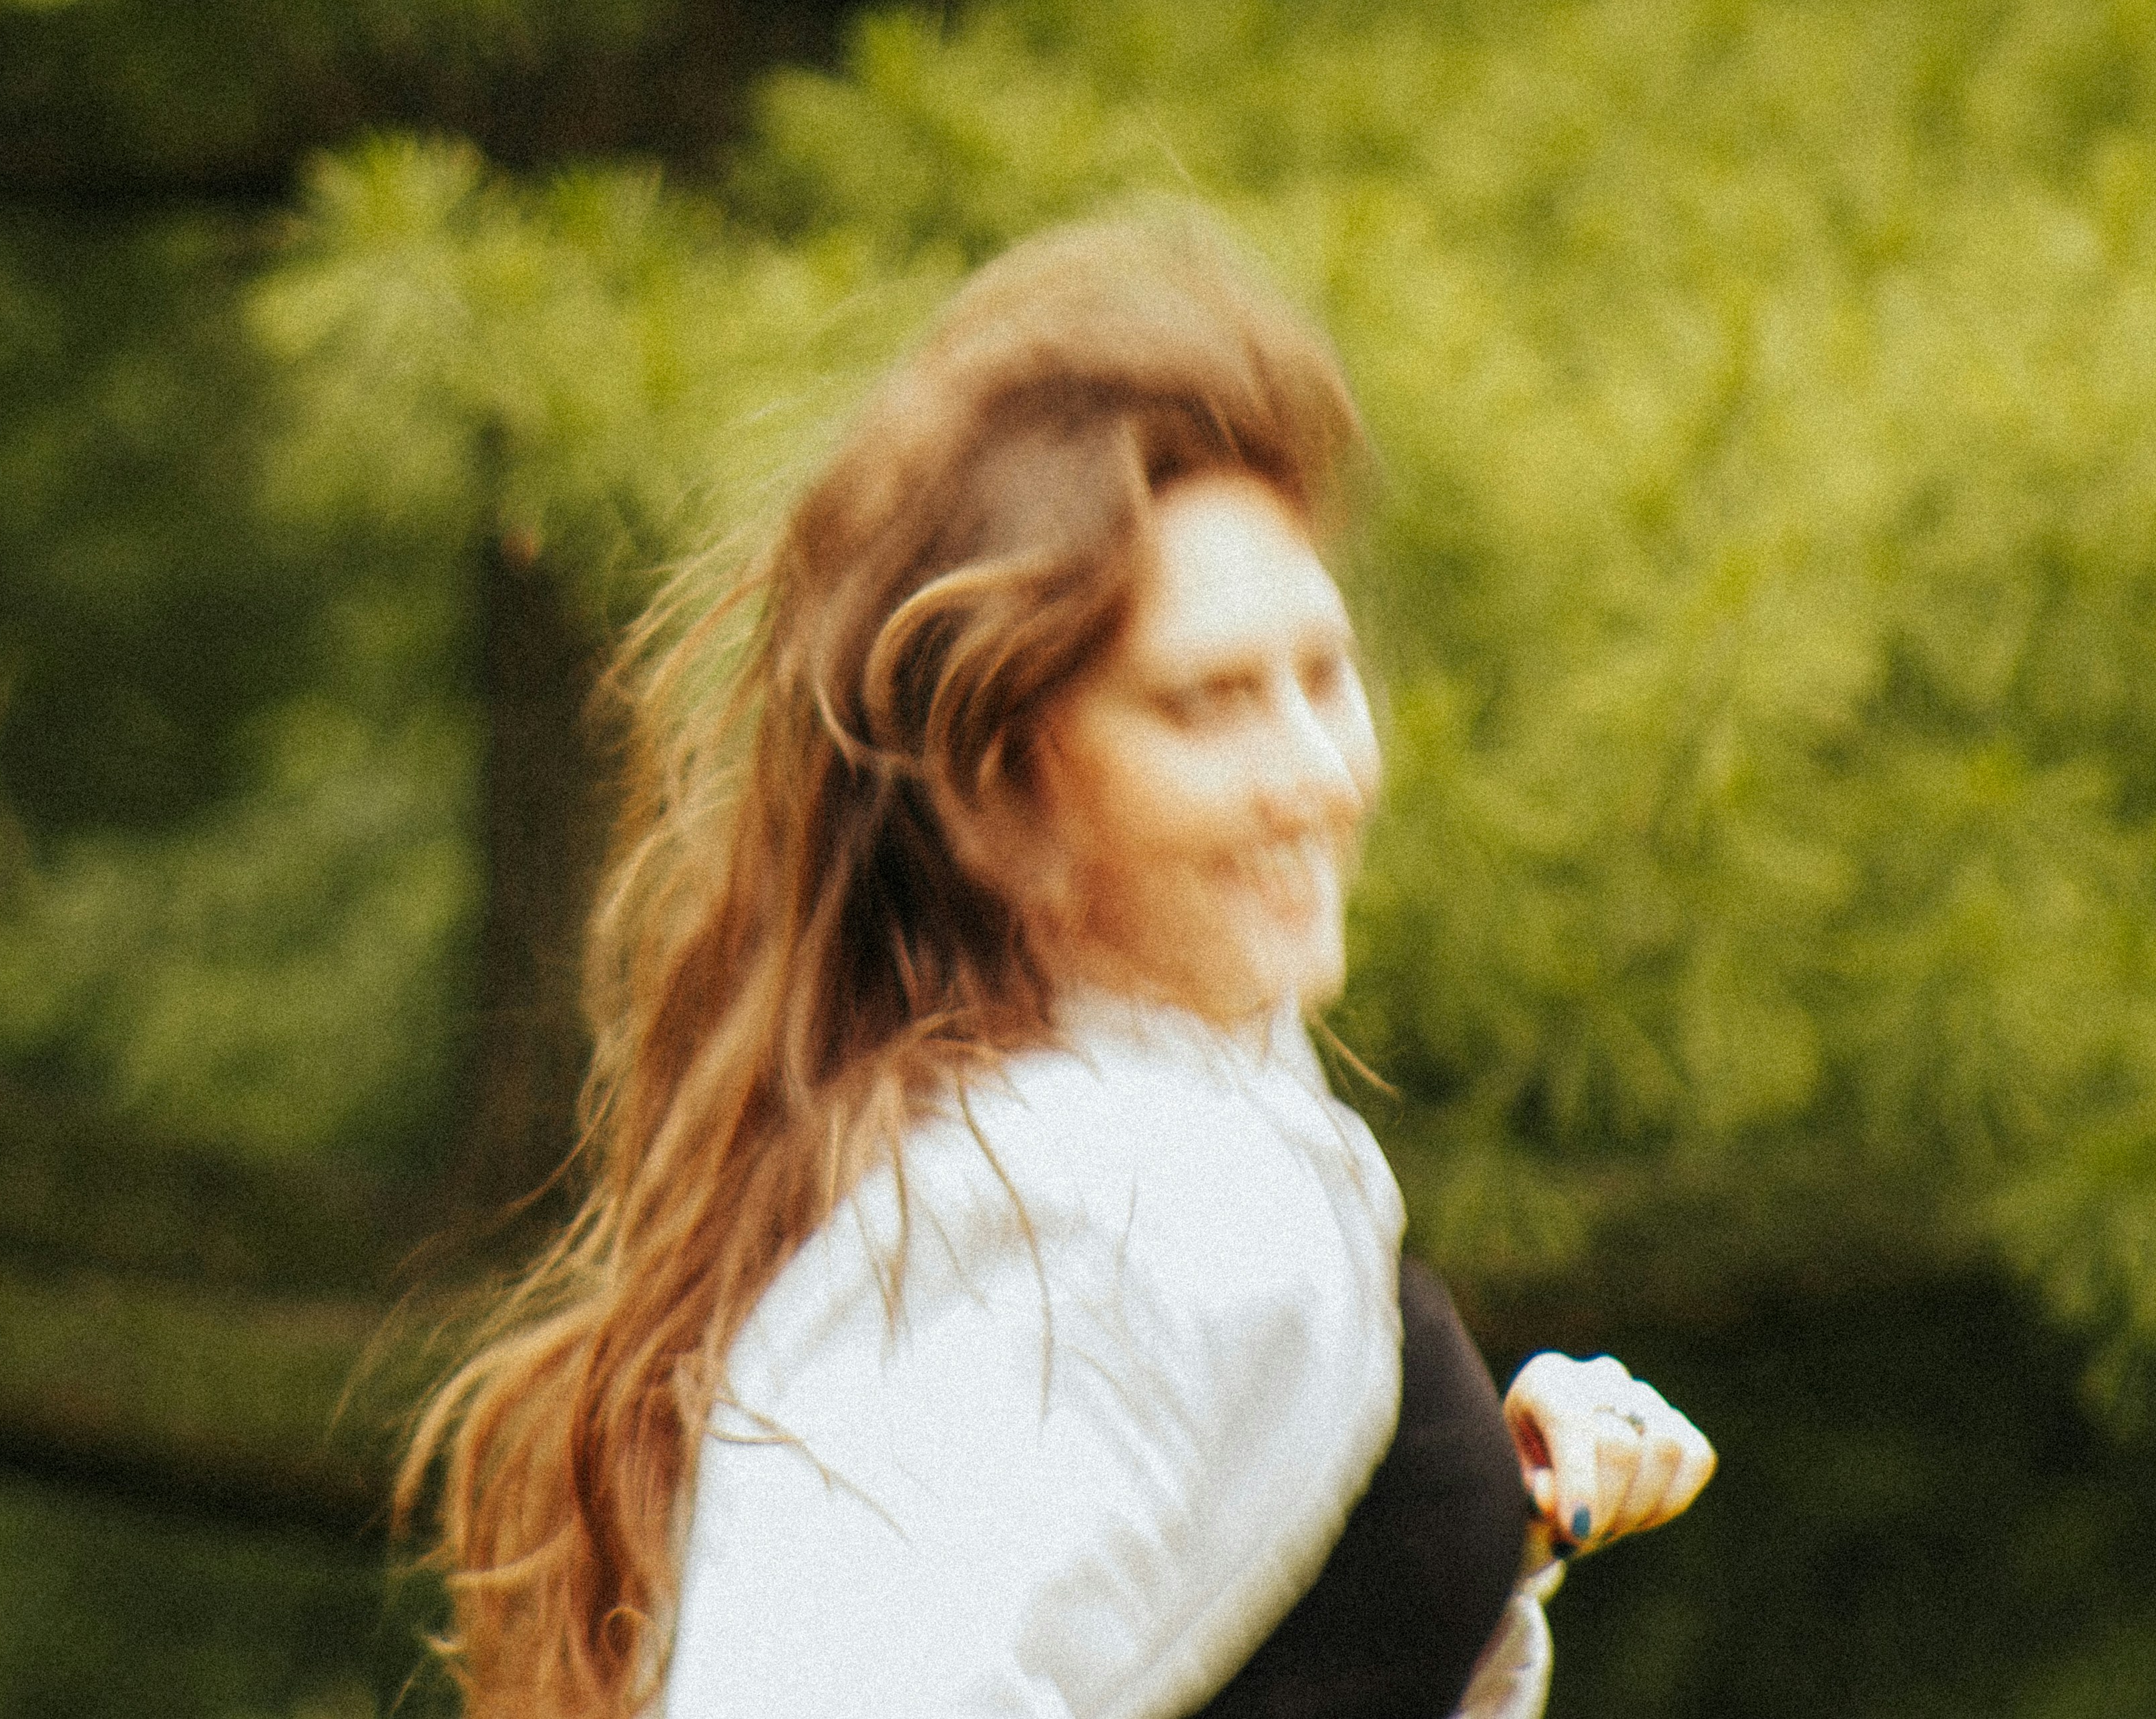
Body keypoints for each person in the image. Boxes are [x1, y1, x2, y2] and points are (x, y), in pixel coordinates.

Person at [403, 215, 1713, 1718]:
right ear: (1000, 801)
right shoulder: (1110, 1210)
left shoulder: (1119, 1144)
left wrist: (1452, 1510)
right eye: (1205, 700)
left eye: (1323, 672)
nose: (1315, 771)